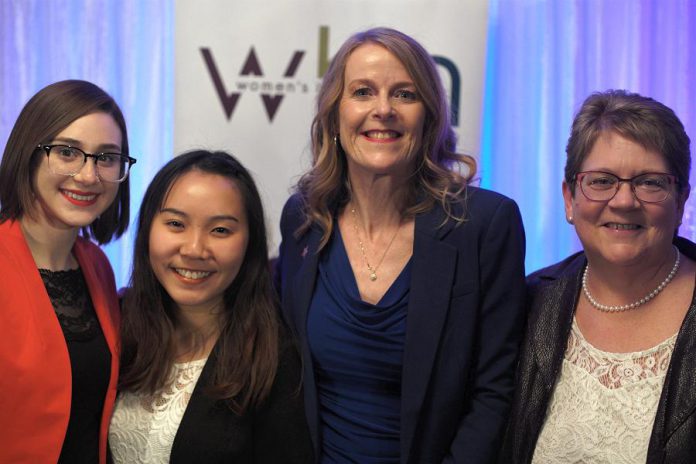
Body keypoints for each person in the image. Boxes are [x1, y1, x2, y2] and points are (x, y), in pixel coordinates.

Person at [275, 27, 526, 463]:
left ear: (429, 115)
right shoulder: (304, 218)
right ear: (335, 115)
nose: (383, 110)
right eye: (363, 92)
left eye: (405, 94)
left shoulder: (485, 224)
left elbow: (494, 395)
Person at [500, 90, 696, 463]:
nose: (624, 201)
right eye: (602, 181)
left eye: (650, 182)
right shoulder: (526, 305)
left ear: (682, 199)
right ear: (570, 199)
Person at [109, 150, 313, 463]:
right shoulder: (116, 323)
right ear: (148, 230)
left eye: (220, 230)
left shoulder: (275, 359)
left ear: (250, 242)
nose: (194, 249)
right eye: (176, 223)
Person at [0, 80, 135, 463]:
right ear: (29, 152)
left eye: (106, 157)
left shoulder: (97, 266)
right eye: (67, 152)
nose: (89, 175)